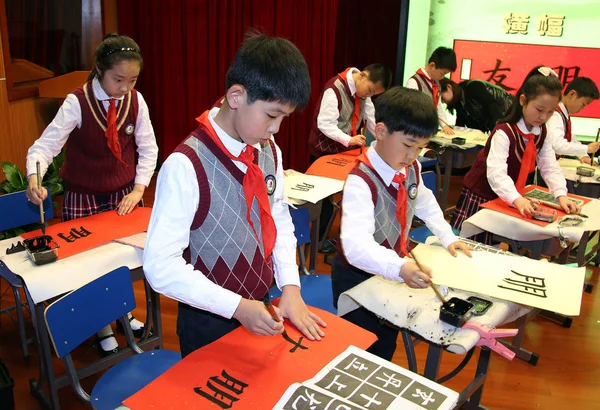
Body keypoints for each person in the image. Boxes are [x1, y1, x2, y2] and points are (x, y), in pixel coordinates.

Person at [143, 34, 326, 358]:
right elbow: (160, 267)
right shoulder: (186, 165)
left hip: (262, 303)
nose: (277, 129)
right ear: (236, 96)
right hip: (209, 320)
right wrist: (237, 307)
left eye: (285, 117)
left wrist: (291, 287)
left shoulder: (268, 151)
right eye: (272, 115)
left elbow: (279, 220)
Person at [25, 33, 158, 355]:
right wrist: (33, 177)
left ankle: (123, 312)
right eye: (118, 79)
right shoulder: (77, 102)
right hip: (83, 195)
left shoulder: (135, 101)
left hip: (124, 194)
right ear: (100, 70)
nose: (125, 87)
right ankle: (101, 326)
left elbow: (148, 148)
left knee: (121, 262)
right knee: (90, 265)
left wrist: (139, 188)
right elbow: (45, 146)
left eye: (133, 79)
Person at [331, 87, 472, 360]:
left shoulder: (411, 167)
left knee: (385, 343)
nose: (413, 155)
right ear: (381, 132)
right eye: (408, 145)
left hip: (393, 271)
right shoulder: (361, 180)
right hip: (357, 279)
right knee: (359, 348)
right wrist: (400, 267)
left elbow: (425, 201)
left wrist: (448, 236)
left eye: (420, 148)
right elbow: (356, 247)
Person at [451, 66, 581, 240]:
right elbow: (496, 174)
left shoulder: (542, 132)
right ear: (523, 100)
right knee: (471, 245)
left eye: (550, 112)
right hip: (482, 194)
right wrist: (517, 199)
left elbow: (549, 166)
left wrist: (560, 195)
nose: (543, 117)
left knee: (496, 245)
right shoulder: (504, 132)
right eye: (539, 109)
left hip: (508, 196)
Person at [546, 76, 600, 164]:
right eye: (583, 104)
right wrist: (587, 148)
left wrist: (583, 155)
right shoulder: (555, 115)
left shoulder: (564, 114)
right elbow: (557, 145)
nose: (582, 109)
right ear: (572, 94)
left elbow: (570, 138)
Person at [405, 47, 456, 134]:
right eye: (442, 73)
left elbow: (437, 107)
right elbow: (409, 111)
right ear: (432, 65)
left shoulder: (436, 83)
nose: (442, 77)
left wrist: (445, 125)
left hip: (429, 131)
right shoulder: (414, 82)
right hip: (415, 130)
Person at [439, 78, 513, 133]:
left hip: (511, 116)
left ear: (449, 87)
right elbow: (460, 125)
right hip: (502, 124)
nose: (442, 102)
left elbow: (494, 108)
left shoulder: (473, 87)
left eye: (442, 97)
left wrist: (496, 133)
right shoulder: (460, 103)